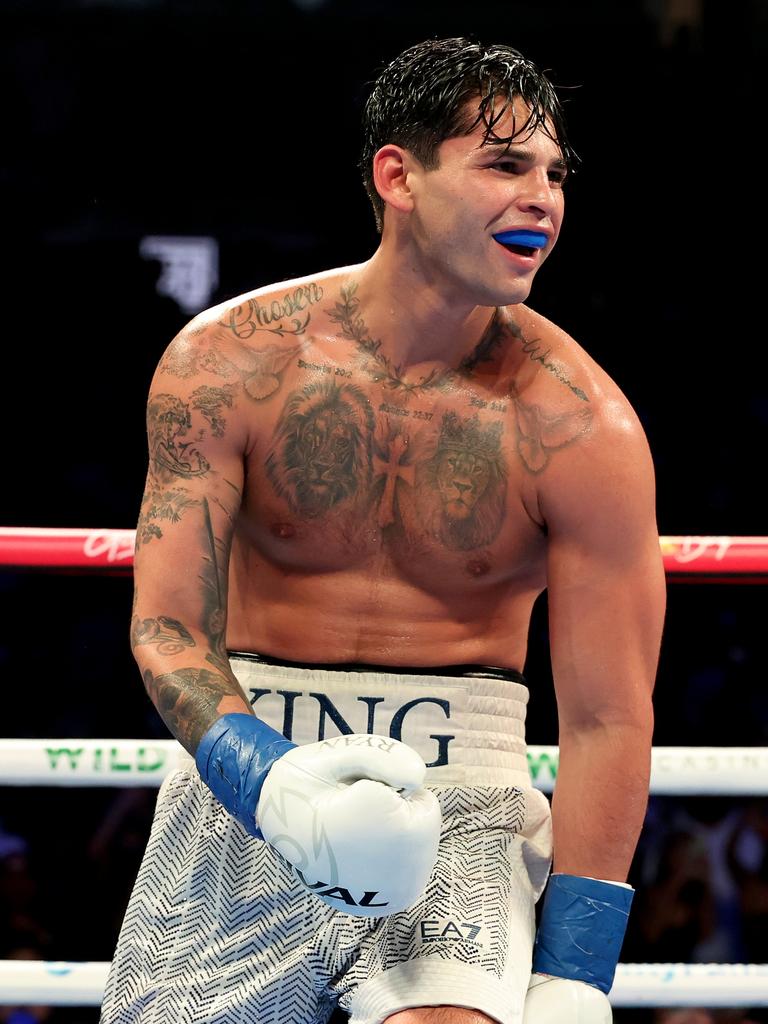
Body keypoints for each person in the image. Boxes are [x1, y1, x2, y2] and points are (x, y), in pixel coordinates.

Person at [100, 35, 666, 1024]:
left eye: (554, 173)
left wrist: (577, 971)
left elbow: (608, 718)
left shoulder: (582, 426)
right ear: (398, 176)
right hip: (246, 785)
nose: (544, 197)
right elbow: (169, 630)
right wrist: (269, 783)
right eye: (504, 164)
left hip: (466, 806)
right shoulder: (228, 362)